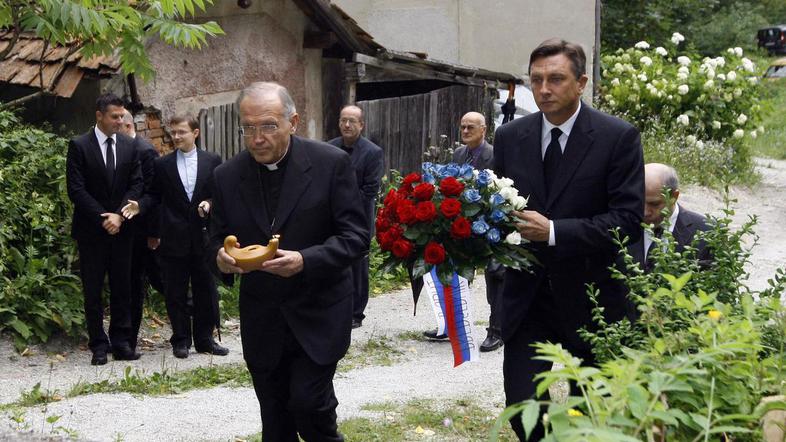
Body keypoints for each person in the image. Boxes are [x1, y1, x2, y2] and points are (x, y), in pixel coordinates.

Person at [493, 38, 644, 440]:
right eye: (536, 79)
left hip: (594, 298)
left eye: (556, 79)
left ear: (581, 83)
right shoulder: (510, 136)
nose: (544, 89)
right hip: (528, 299)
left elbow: (627, 221)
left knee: (592, 416)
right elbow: (495, 208)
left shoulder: (618, 137)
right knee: (523, 412)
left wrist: (555, 232)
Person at [209, 82, 368, 440]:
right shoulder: (226, 176)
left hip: (319, 312)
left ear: (292, 122)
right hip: (263, 318)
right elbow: (214, 238)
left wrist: (305, 260)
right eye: (248, 127)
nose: (257, 138)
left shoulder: (331, 164)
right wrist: (220, 257)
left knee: (310, 407)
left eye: (268, 126)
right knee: (275, 421)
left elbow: (356, 237)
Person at [127, 115, 227, 359]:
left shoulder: (212, 160)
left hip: (203, 237)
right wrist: (140, 206)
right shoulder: (163, 164)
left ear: (195, 133)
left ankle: (205, 339)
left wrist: (209, 203)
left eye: (182, 132)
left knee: (206, 289)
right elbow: (154, 195)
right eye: (173, 132)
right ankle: (181, 340)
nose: (176, 136)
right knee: (175, 291)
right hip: (173, 236)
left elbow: (220, 194)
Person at [66, 94, 143, 365]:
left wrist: (119, 216)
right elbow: (76, 189)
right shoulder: (79, 145)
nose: (119, 121)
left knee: (123, 287)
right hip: (91, 231)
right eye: (114, 116)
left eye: (122, 116)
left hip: (122, 230)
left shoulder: (129, 146)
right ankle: (98, 345)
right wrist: (104, 217)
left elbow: (136, 184)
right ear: (99, 116)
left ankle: (121, 342)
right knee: (93, 290)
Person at [422, 111, 504, 352]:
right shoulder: (459, 153)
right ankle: (451, 325)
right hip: (461, 224)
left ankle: (497, 330)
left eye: (471, 127)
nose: (466, 131)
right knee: (454, 275)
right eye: (463, 127)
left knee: (495, 276)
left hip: (488, 224)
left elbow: (500, 189)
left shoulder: (494, 155)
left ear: (483, 130)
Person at [327, 105, 384, 329]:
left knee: (358, 267)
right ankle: (336, 308)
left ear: (361, 125)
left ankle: (356, 313)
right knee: (334, 262)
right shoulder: (329, 148)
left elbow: (370, 189)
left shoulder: (372, 152)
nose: (347, 125)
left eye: (352, 121)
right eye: (343, 120)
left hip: (359, 218)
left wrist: (344, 204)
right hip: (333, 218)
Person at [119, 110, 164, 352]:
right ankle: (128, 339)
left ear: (127, 126)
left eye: (118, 125)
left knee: (160, 280)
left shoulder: (145, 151)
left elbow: (154, 195)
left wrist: (154, 233)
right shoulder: (123, 148)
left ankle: (196, 319)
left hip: (144, 231)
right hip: (128, 230)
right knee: (133, 283)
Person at [628, 163, 712, 271]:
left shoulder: (708, 233)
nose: (645, 212)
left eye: (654, 204)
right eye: (639, 202)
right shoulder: (621, 225)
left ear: (674, 197)